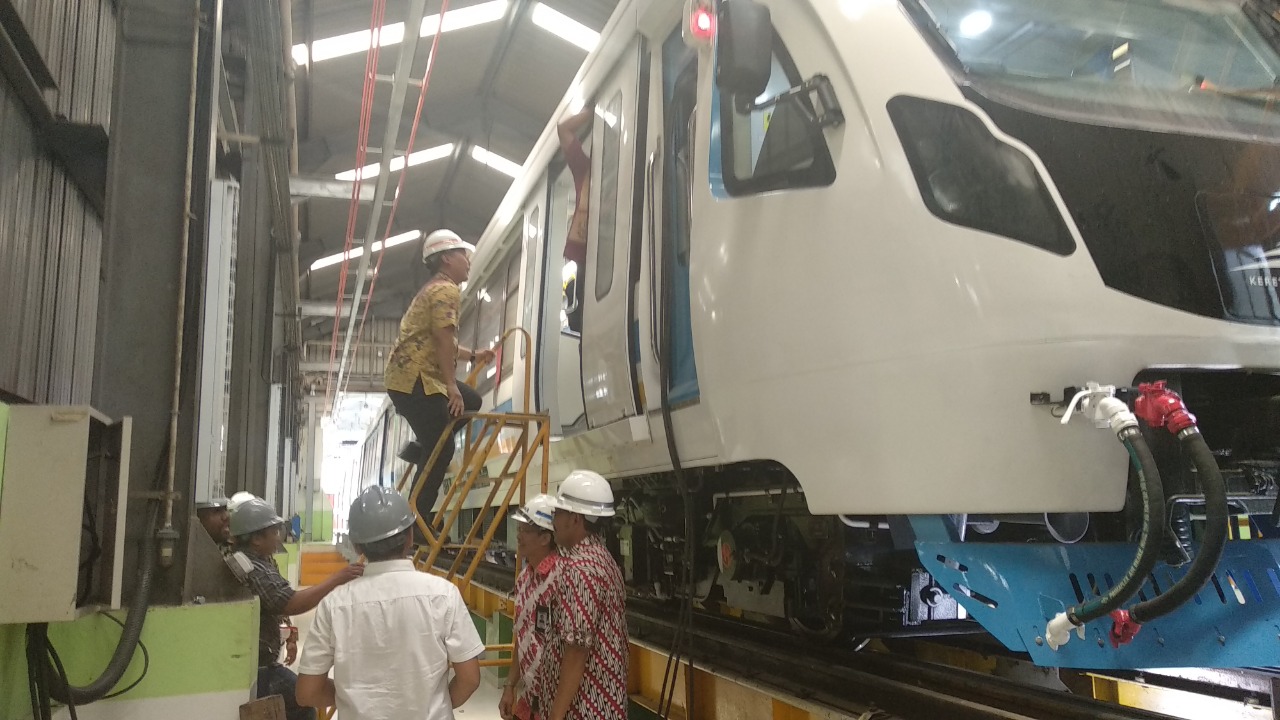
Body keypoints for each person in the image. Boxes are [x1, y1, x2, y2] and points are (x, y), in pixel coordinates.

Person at [296, 486, 485, 719]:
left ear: (356, 546)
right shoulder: (443, 594)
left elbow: (307, 692)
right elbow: (470, 679)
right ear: (410, 537)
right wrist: (436, 705)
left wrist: (354, 698)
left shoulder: (334, 605)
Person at [385, 229, 495, 529]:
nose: (468, 261)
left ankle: (423, 445)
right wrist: (450, 386)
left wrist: (473, 355)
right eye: (462, 255)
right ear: (447, 259)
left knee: (471, 400)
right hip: (414, 380)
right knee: (442, 448)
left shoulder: (432, 288)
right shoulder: (446, 291)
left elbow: (436, 340)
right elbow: (442, 338)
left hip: (413, 377)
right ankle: (416, 521)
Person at [226, 498, 364, 720]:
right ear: (256, 539)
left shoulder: (263, 560)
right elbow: (288, 602)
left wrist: (290, 635)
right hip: (258, 667)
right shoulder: (252, 568)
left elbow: (276, 601)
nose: (278, 536)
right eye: (273, 532)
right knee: (304, 701)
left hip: (264, 658)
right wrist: (336, 579)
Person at [545, 470, 628, 720]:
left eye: (558, 512)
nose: (553, 520)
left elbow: (577, 650)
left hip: (584, 708)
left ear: (575, 519)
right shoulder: (603, 559)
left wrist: (556, 714)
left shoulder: (579, 569)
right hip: (603, 705)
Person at [499, 494, 562, 720]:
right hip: (530, 701)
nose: (518, 535)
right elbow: (522, 635)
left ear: (545, 538)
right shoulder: (525, 578)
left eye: (525, 530)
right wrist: (510, 685)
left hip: (555, 704)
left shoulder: (561, 579)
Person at [557, 108, 592, 334]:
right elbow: (564, 129)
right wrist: (593, 109)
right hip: (585, 257)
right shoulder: (584, 167)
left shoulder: (585, 170)